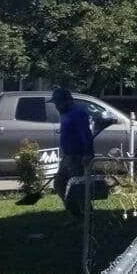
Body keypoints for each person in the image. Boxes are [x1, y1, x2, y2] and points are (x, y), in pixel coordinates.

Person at [51, 88, 105, 216]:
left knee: (79, 188)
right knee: (60, 183)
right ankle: (74, 212)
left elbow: (86, 135)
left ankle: (87, 216)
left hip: (78, 156)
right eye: (56, 103)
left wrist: (87, 153)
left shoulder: (78, 114)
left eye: (58, 103)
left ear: (67, 101)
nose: (57, 106)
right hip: (68, 156)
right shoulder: (65, 114)